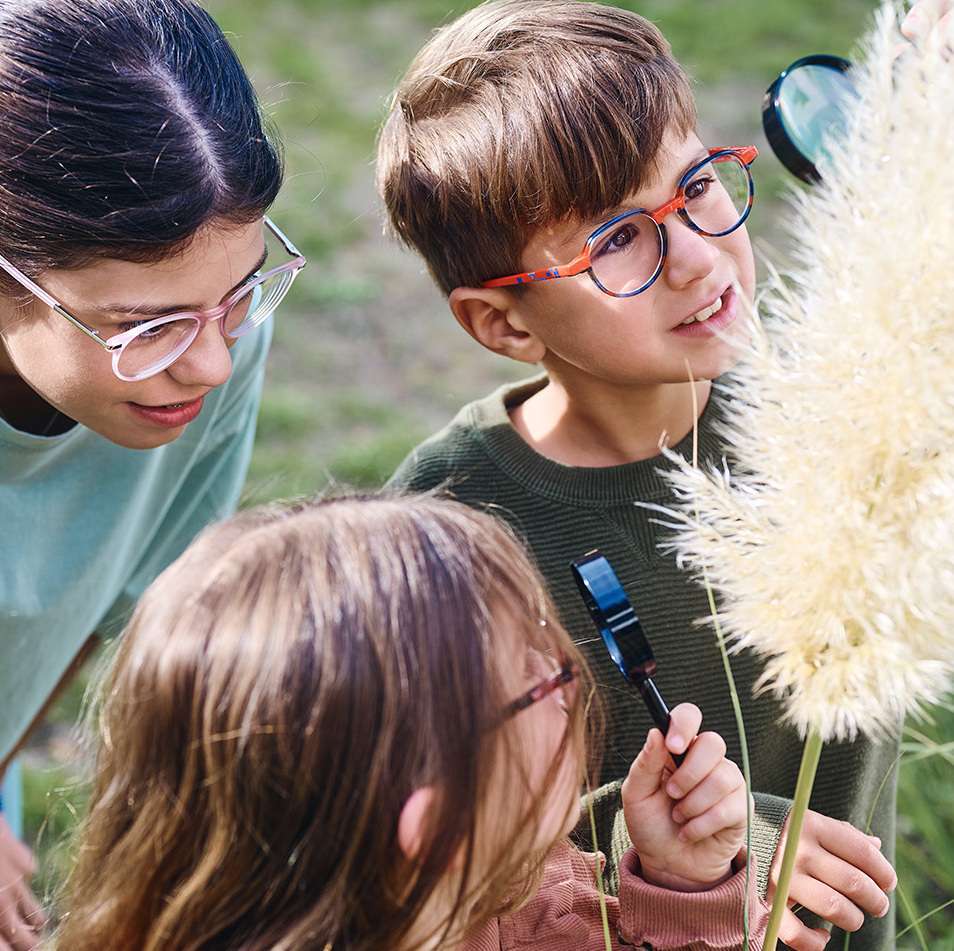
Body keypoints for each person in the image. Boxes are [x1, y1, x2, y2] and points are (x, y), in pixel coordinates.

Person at [377, 2, 929, 948]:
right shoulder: (448, 526)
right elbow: (455, 847)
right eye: (618, 240)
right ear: (505, 323)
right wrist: (713, 849)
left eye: (698, 186)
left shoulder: (844, 403)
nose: (698, 257)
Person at [56, 494, 768, 950]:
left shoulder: (518, 893)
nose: (573, 673)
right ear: (438, 833)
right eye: (538, 679)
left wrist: (684, 887)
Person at [0, 1, 304, 946]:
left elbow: (114, 605)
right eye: (146, 326)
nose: (211, 363)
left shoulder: (210, 348)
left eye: (241, 290)